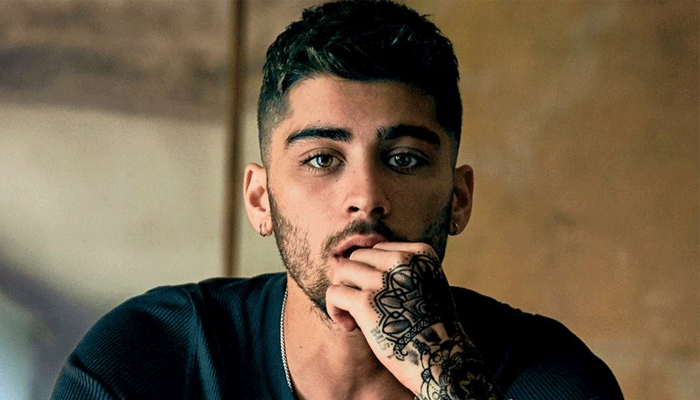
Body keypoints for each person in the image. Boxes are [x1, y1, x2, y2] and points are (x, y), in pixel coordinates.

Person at [52, 1, 624, 399]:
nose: (367, 199)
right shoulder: (146, 358)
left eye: (404, 159)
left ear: (459, 199)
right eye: (323, 158)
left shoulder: (548, 375)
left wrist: (445, 375)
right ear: (260, 200)